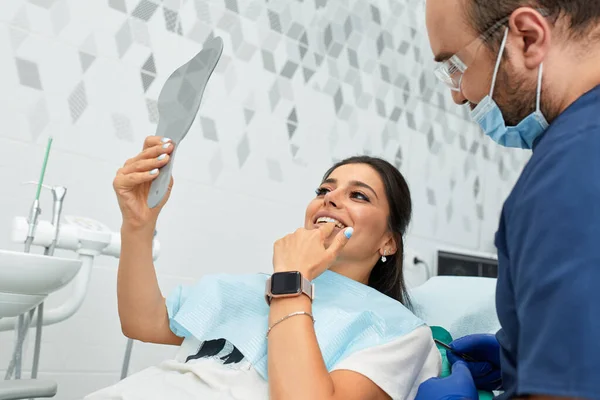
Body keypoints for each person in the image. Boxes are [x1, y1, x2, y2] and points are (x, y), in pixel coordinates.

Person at [84, 136, 441, 400]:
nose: (329, 198)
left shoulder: (398, 332)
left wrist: (292, 280)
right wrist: (137, 226)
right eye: (324, 189)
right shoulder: (248, 288)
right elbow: (142, 323)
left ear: (388, 243)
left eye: (358, 195)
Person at [416, 1, 600, 399]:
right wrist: (522, 354)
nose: (458, 97)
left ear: (527, 38)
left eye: (456, 68)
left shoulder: (569, 172)